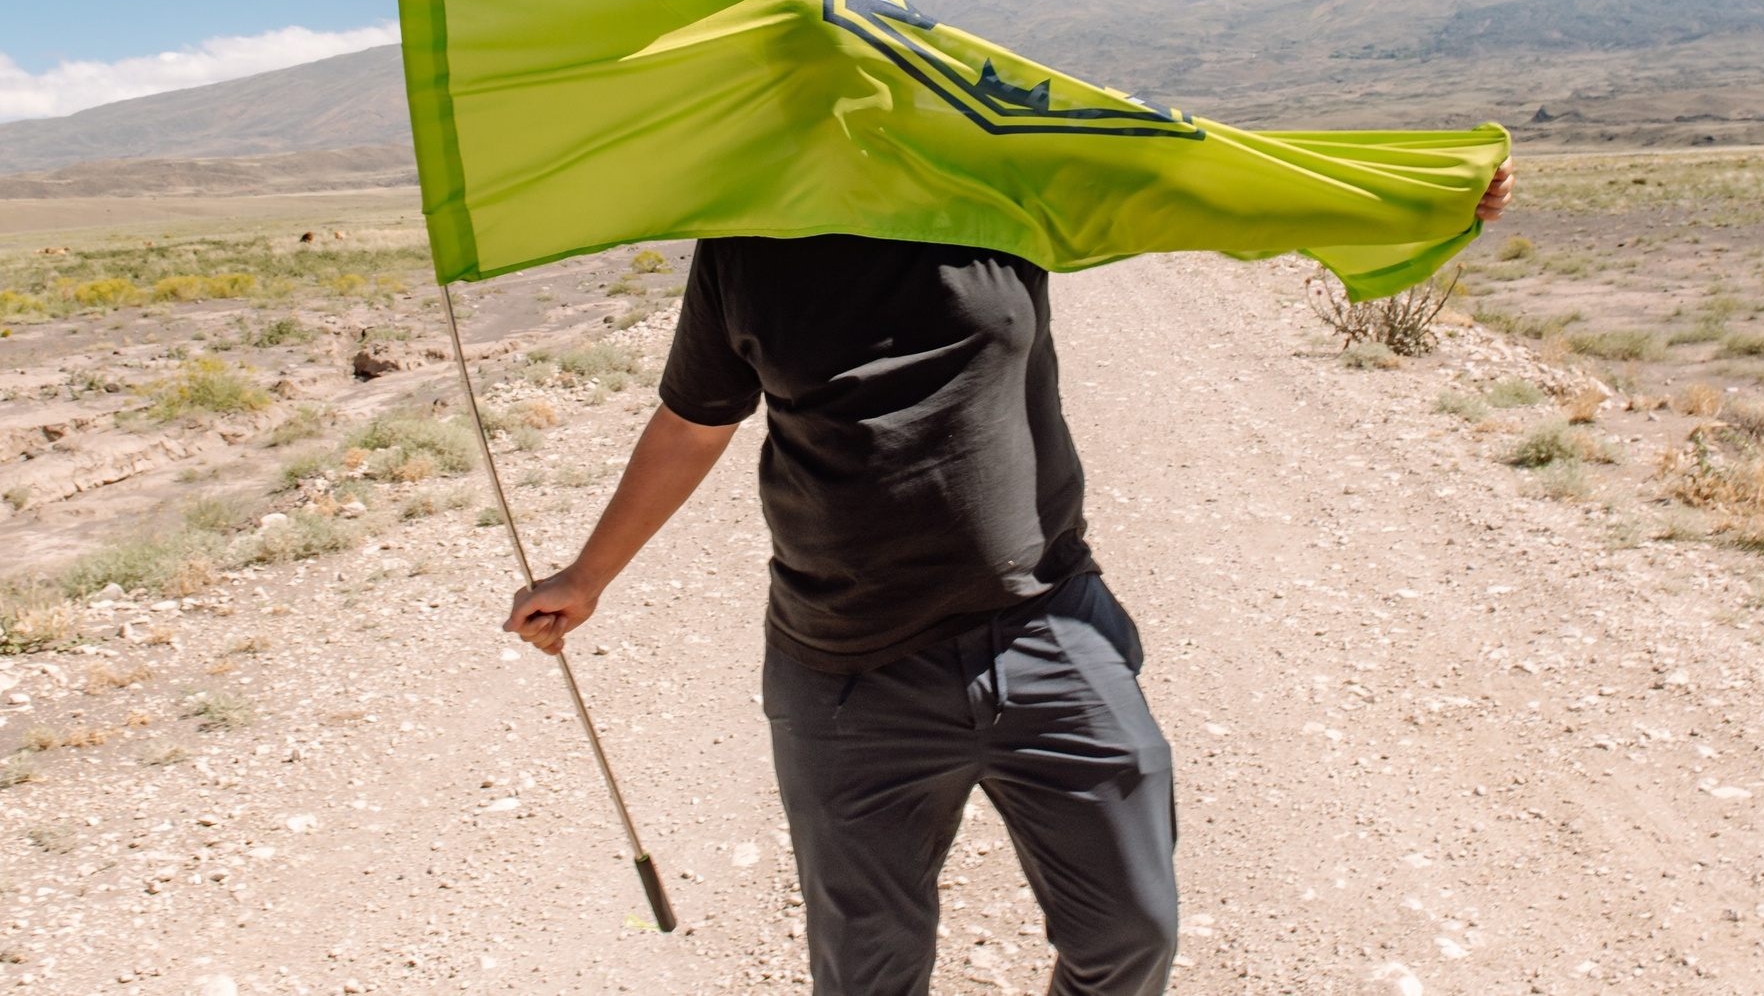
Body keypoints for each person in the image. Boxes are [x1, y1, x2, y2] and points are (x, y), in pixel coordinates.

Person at [506, 162, 1516, 995]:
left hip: (1046, 628)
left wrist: (1409, 192)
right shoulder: (745, 239)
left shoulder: (1000, 192)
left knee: (1131, 931)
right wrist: (589, 575)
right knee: (866, 970)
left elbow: (1200, 179)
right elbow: (694, 419)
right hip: (844, 664)